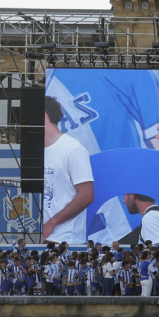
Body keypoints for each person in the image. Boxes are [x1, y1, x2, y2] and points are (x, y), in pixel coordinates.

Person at [40, 96, 95, 246]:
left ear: (44, 114)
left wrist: (51, 223)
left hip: (64, 241)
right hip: (40, 239)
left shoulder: (72, 149)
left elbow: (86, 195)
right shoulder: (37, 150)